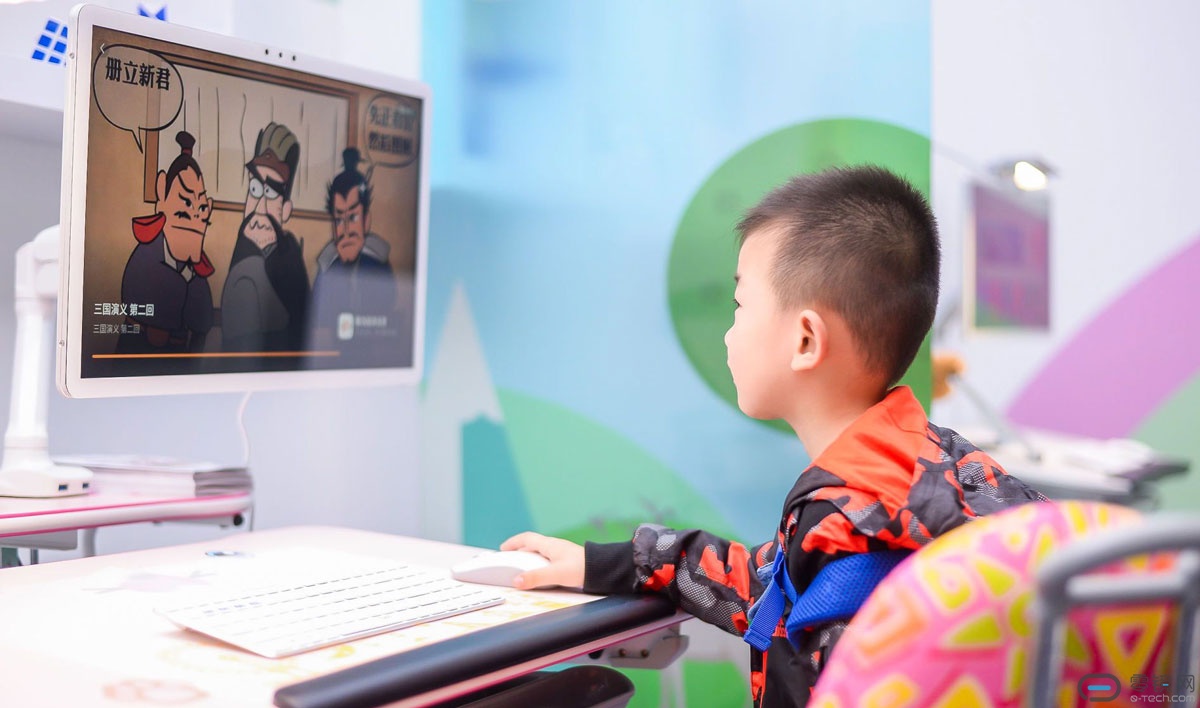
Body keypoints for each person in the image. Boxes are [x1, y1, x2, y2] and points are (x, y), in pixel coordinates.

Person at [501, 166, 1045, 708]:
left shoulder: (845, 523)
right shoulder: (936, 466)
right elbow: (775, 588)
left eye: (740, 306)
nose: (728, 334)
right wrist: (614, 564)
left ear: (806, 340)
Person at [119, 131, 215, 353]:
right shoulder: (147, 254)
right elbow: (133, 297)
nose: (195, 216)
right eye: (185, 205)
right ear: (162, 194)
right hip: (139, 357)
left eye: (201, 208)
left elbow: (203, 321)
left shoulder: (195, 268)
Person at [221, 122, 310, 352]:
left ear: (286, 210)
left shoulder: (289, 259)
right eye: (254, 190)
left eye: (270, 193)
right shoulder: (244, 250)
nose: (259, 208)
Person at [309, 147, 402, 356]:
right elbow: (318, 315)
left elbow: (387, 306)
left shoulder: (377, 264)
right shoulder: (327, 267)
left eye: (353, 217)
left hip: (370, 354)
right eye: (338, 220)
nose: (346, 230)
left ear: (366, 221)